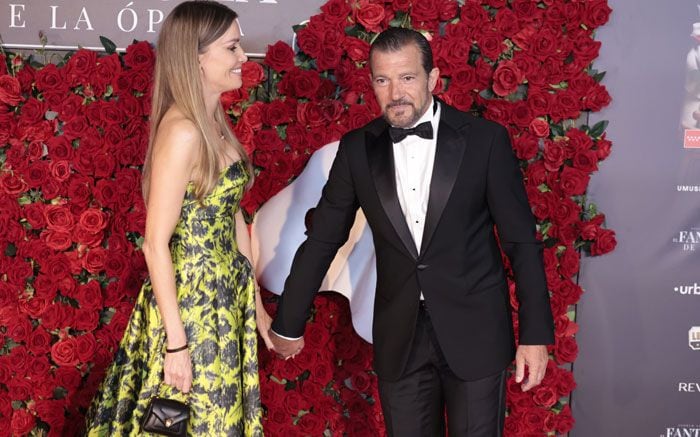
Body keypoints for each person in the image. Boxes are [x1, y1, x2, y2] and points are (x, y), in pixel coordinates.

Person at [269, 28, 555, 436]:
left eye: (407, 78)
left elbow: (521, 242)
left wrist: (535, 334)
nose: (395, 92)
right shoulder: (357, 149)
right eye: (383, 80)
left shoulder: (484, 141)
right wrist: (288, 321)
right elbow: (323, 237)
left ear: (432, 79)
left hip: (475, 332)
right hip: (400, 337)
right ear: (371, 83)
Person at [85, 2, 270, 435]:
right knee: (191, 423)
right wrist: (177, 343)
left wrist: (256, 308)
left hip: (226, 304)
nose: (244, 57)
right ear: (197, 57)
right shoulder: (184, 130)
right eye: (233, 47)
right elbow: (154, 243)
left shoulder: (215, 123)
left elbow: (232, 215)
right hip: (192, 310)